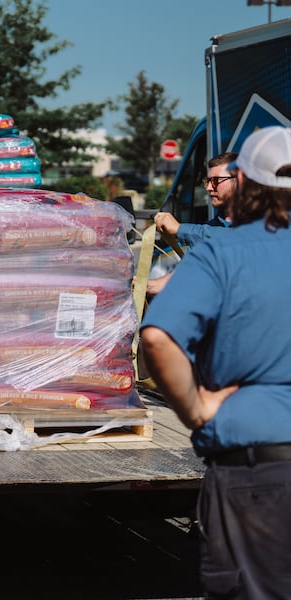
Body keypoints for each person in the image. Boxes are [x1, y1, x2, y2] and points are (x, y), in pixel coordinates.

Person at [140, 126, 291, 597]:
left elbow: (159, 336)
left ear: (245, 182)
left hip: (259, 469)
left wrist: (197, 408)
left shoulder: (226, 252)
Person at [147, 152, 239, 295]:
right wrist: (146, 286)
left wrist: (179, 229)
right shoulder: (212, 227)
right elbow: (189, 271)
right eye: (207, 182)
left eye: (215, 181)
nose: (208, 188)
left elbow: (236, 240)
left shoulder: (261, 222)